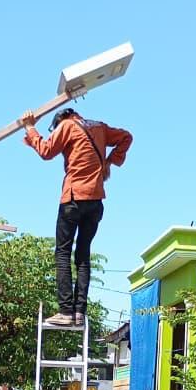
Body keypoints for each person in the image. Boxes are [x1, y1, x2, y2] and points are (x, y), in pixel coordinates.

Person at [20, 107, 132, 329]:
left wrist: (30, 127)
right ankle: (79, 312)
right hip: (96, 201)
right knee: (83, 255)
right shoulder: (99, 127)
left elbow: (46, 150)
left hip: (73, 198)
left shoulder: (67, 126)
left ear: (60, 120)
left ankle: (65, 312)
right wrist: (109, 162)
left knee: (63, 253)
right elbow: (126, 137)